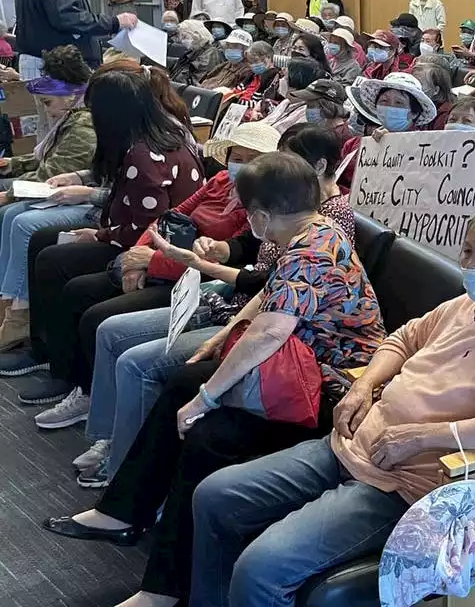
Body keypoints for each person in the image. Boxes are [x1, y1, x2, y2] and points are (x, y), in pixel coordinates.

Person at [41, 151, 385, 607]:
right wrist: (219, 341)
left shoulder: (312, 250)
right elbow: (269, 297)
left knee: (209, 434)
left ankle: (164, 587)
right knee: (184, 381)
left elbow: (270, 332)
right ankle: (123, 511)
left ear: (261, 214)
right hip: (299, 367)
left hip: (328, 387)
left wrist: (208, 396)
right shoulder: (311, 231)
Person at [189, 204, 475, 604]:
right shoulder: (466, 305)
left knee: (261, 569)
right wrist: (363, 388)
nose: (471, 263)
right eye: (467, 251)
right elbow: (401, 340)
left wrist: (420, 438)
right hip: (350, 443)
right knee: (214, 496)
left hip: (399, 485)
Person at [75, 124, 352, 487]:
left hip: (298, 348)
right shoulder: (288, 220)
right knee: (112, 331)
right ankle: (118, 455)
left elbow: (271, 315)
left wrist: (205, 397)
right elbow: (263, 283)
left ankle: (127, 475)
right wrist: (188, 263)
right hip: (240, 307)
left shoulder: (317, 233)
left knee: (146, 365)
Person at [14, 60, 203, 404]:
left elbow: (144, 227)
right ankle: (45, 349)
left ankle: (65, 371)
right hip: (134, 233)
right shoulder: (153, 136)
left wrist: (99, 235)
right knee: (46, 244)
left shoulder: (145, 155)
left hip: (153, 247)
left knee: (56, 262)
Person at [0, 47, 96, 350]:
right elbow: (48, 158)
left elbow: (53, 172)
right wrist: (11, 165)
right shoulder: (72, 117)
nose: (47, 110)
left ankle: (19, 313)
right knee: (10, 215)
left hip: (89, 198)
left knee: (22, 220)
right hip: (77, 187)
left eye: (48, 102)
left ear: (70, 94)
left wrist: (9, 191)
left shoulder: (83, 125)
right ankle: (8, 301)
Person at [349, 71, 437, 136]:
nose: (389, 107)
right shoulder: (360, 143)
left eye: (399, 102)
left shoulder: (425, 144)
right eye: (384, 101)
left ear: (414, 113)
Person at [261, 58, 328, 133]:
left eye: (285, 78)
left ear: (297, 82)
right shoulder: (287, 102)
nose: (280, 81)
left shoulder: (306, 112)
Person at [170, 20, 223, 84]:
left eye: (185, 37)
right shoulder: (194, 51)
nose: (182, 41)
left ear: (198, 35)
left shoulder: (210, 54)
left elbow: (196, 82)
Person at [412, 61, 454, 130]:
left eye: (419, 84)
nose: (413, 87)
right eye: (412, 82)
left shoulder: (445, 114)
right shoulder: (412, 103)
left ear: (435, 90)